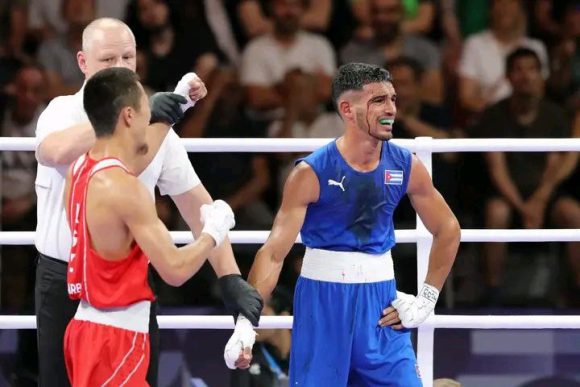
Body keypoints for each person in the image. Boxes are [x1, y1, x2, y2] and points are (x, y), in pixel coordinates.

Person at [34, 17, 262, 387]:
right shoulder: (65, 115)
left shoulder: (142, 140)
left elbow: (194, 204)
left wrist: (230, 277)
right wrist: (140, 114)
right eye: (108, 60)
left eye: (128, 57)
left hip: (126, 293)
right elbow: (56, 150)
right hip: (69, 282)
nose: (121, 67)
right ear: (83, 62)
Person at [246, 62, 461, 385]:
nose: (390, 108)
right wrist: (246, 324)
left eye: (392, 99)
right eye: (378, 100)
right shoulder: (311, 173)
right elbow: (275, 252)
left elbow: (448, 229)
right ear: (347, 109)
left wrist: (426, 299)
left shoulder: (405, 164)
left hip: (381, 304)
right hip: (323, 302)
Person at [63, 66, 236, 386]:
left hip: (86, 329)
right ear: (129, 115)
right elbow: (175, 269)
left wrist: (176, 108)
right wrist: (212, 232)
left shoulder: (81, 170)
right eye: (146, 106)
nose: (150, 114)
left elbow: (133, 157)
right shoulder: (126, 189)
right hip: (116, 338)